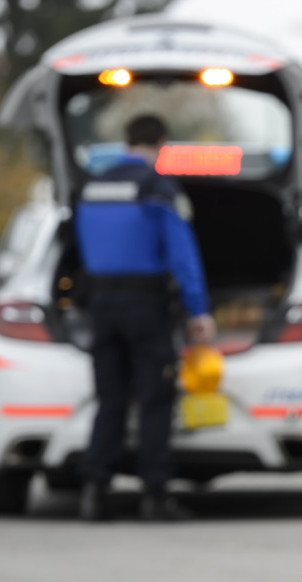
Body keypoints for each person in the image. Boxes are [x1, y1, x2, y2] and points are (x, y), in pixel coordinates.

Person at [74, 114, 215, 522]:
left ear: (126, 142)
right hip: (146, 308)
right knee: (155, 399)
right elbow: (182, 256)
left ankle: (95, 492)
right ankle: (155, 495)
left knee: (110, 400)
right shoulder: (158, 189)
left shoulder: (92, 188)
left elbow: (81, 248)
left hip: (101, 308)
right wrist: (198, 310)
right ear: (162, 144)